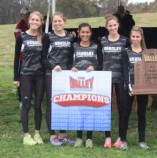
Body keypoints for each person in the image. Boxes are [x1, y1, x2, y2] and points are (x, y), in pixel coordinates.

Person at [42, 11, 75, 146]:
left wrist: (72, 67)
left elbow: (73, 55)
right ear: (51, 23)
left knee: (64, 103)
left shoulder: (70, 37)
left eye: (59, 21)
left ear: (64, 21)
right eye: (54, 21)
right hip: (51, 74)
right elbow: (43, 57)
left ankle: (62, 134)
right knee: (52, 103)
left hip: (66, 75)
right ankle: (52, 135)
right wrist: (52, 66)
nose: (57, 23)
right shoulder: (47, 36)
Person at [98, 15, 130, 148]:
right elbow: (99, 60)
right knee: (106, 109)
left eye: (114, 25)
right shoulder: (102, 41)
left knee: (123, 109)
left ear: (118, 25)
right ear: (107, 27)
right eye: (110, 26)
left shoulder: (125, 41)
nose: (112, 28)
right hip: (106, 79)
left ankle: (121, 138)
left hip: (121, 78)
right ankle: (107, 137)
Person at [13, 11, 45, 145]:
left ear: (41, 22)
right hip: (25, 75)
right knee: (26, 106)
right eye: (33, 20)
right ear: (29, 21)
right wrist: (16, 77)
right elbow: (16, 58)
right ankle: (26, 136)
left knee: (38, 105)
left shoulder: (43, 37)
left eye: (38, 20)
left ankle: (37, 134)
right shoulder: (22, 37)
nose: (35, 22)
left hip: (40, 75)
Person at [71, 23, 102, 148]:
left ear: (91, 33)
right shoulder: (73, 46)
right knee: (78, 110)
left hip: (91, 83)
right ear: (78, 32)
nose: (85, 34)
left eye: (87, 32)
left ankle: (89, 138)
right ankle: (79, 137)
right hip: (76, 83)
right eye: (82, 32)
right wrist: (70, 68)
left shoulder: (96, 47)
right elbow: (68, 62)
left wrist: (94, 67)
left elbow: (101, 64)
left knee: (90, 109)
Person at [120, 26, 150, 150]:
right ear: (130, 37)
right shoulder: (126, 51)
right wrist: (129, 87)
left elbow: (152, 71)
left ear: (141, 37)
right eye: (133, 36)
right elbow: (125, 70)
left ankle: (142, 141)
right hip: (129, 86)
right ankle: (122, 140)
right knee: (125, 113)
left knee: (142, 114)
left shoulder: (147, 53)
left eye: (138, 36)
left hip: (143, 87)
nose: (135, 39)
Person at [14, 6, 30, 109]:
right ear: (21, 15)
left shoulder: (28, 24)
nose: (27, 16)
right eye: (26, 15)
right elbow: (22, 39)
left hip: (29, 56)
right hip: (21, 57)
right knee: (21, 77)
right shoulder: (19, 26)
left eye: (28, 14)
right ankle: (21, 99)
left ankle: (28, 97)